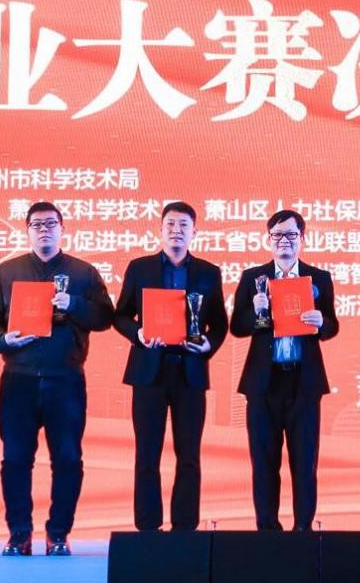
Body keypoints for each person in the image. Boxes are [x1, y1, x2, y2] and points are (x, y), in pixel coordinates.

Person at [0, 201, 113, 557]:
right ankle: (19, 534)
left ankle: (58, 534)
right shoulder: (8, 272)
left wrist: (75, 305)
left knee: (67, 459)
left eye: (51, 223)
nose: (44, 230)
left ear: (62, 229)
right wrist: (2, 340)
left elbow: (105, 317)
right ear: (27, 231)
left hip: (65, 380)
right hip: (18, 380)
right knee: (15, 459)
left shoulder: (83, 273)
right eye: (36, 224)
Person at [113, 201, 227, 531]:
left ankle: (185, 528)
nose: (176, 231)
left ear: (194, 232)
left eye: (183, 225)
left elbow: (219, 323)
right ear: (160, 230)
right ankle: (148, 527)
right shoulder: (140, 268)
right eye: (170, 225)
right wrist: (139, 334)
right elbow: (121, 315)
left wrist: (208, 345)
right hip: (149, 372)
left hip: (189, 373)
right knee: (147, 454)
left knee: (189, 455)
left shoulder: (208, 272)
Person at [230, 209, 339, 531]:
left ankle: (303, 530)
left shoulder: (319, 278)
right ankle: (267, 531)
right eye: (277, 235)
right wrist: (256, 312)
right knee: (264, 463)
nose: (284, 241)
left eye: (291, 234)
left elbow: (332, 325)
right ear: (268, 239)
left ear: (302, 238)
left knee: (304, 463)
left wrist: (321, 323)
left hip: (304, 383)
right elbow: (237, 326)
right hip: (264, 384)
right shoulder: (253, 277)